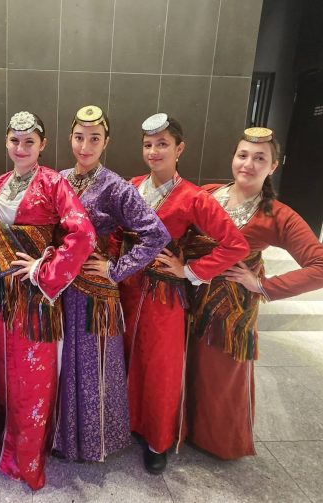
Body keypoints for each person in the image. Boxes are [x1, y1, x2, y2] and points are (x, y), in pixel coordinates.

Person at [186, 127, 323, 459]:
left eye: (259, 159)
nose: (248, 164)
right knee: (186, 367)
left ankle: (216, 442)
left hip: (228, 313)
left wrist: (263, 286)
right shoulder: (207, 193)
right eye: (242, 155)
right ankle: (180, 430)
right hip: (187, 297)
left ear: (273, 166)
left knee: (219, 375)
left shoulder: (277, 214)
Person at [120, 113, 249, 474]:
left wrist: (189, 271)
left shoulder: (193, 197)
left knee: (161, 368)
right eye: (148, 144)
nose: (154, 151)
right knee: (126, 357)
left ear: (180, 149)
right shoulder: (131, 186)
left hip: (164, 297)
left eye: (162, 144)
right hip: (127, 290)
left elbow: (235, 245)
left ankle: (157, 439)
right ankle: (126, 422)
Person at [53, 106, 170, 463]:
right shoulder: (58, 179)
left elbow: (156, 234)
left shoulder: (115, 186)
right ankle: (62, 438)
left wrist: (117, 269)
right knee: (62, 361)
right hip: (59, 288)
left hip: (96, 293)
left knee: (95, 366)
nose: (85, 146)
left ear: (106, 142)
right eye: (79, 138)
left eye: (94, 139)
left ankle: (94, 440)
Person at [0, 111, 95, 490]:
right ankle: (6, 447)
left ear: (42, 145)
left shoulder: (53, 183)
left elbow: (83, 234)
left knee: (33, 380)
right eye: (15, 141)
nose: (21, 148)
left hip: (35, 300)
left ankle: (28, 460)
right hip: (0, 297)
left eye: (29, 142)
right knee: (4, 375)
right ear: (6, 142)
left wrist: (43, 269)